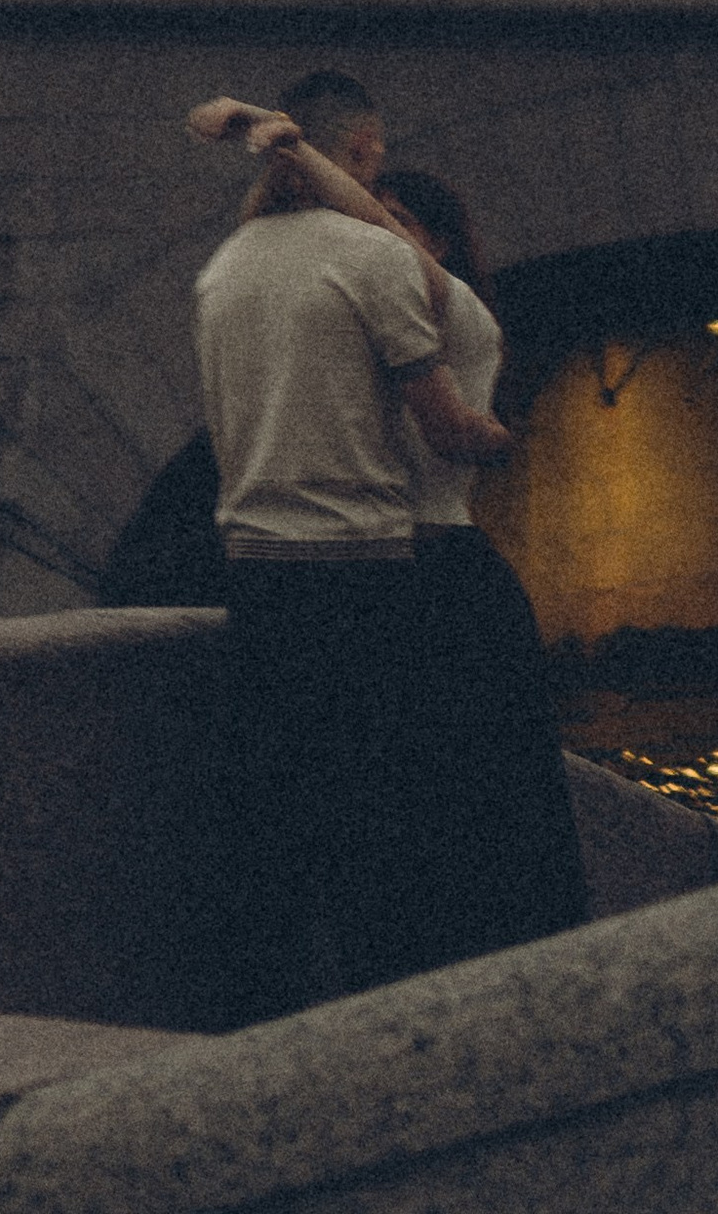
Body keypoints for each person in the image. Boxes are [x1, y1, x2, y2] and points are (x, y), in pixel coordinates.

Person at [188, 78, 507, 1017]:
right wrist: (503, 438)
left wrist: (249, 126)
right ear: (359, 149)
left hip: (252, 566)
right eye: (372, 159)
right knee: (384, 828)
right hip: (366, 568)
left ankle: (271, 1021)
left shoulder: (222, 271)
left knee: (279, 822)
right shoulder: (373, 262)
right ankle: (385, 1022)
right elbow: (446, 429)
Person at [376, 162, 591, 964]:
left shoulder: (455, 311)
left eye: (397, 219)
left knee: (493, 809)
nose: (375, 233)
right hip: (406, 581)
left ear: (438, 245)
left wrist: (287, 146)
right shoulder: (376, 324)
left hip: (454, 587)